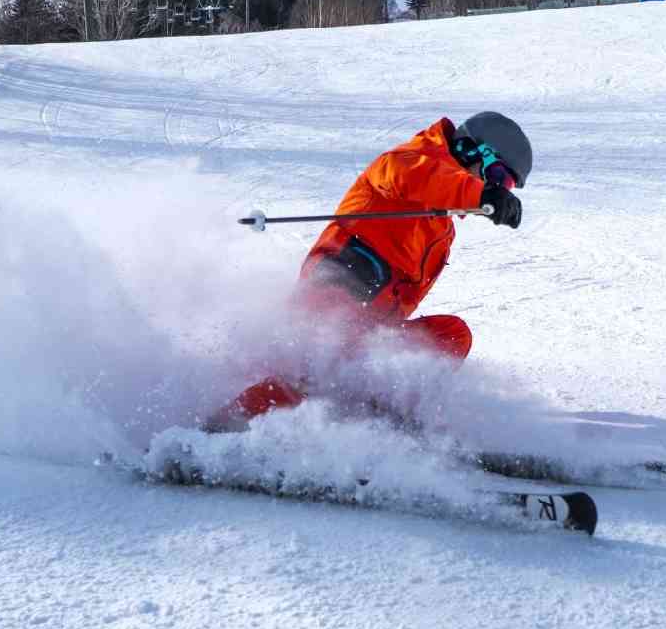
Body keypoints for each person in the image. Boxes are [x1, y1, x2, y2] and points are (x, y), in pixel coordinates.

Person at [206, 111, 532, 431]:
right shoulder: (410, 160)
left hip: (372, 329)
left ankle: (383, 430)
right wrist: (479, 193)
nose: (500, 189)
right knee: (320, 371)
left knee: (452, 335)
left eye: (507, 187)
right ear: (472, 150)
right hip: (335, 293)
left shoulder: (441, 225)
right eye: (500, 179)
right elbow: (408, 177)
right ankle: (222, 430)